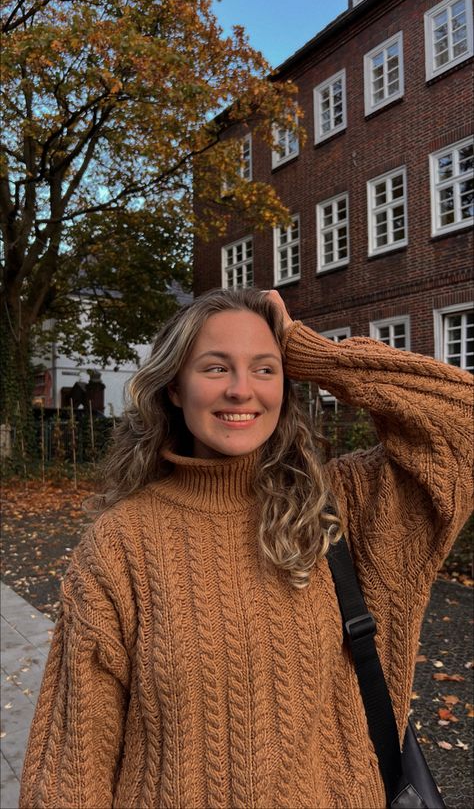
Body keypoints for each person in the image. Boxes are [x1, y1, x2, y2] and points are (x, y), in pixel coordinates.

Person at [20, 288, 473, 809]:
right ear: (173, 386)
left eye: (264, 369)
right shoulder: (122, 543)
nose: (241, 390)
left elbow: (462, 422)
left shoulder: (343, 509)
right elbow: (72, 763)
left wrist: (310, 351)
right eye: (215, 368)